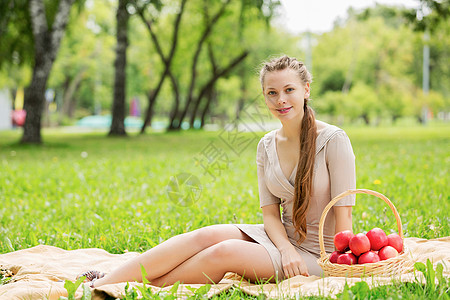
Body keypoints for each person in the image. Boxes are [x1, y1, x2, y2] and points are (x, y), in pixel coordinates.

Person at [80, 55, 356, 288]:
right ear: (264, 96)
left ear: (306, 89)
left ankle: (130, 285)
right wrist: (284, 249)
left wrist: (342, 267)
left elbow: (345, 216)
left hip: (321, 254)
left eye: (289, 90)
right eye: (272, 93)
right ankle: (111, 280)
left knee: (225, 252)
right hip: (281, 239)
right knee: (206, 236)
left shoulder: (333, 140)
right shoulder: (267, 145)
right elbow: (270, 214)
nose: (280, 100)